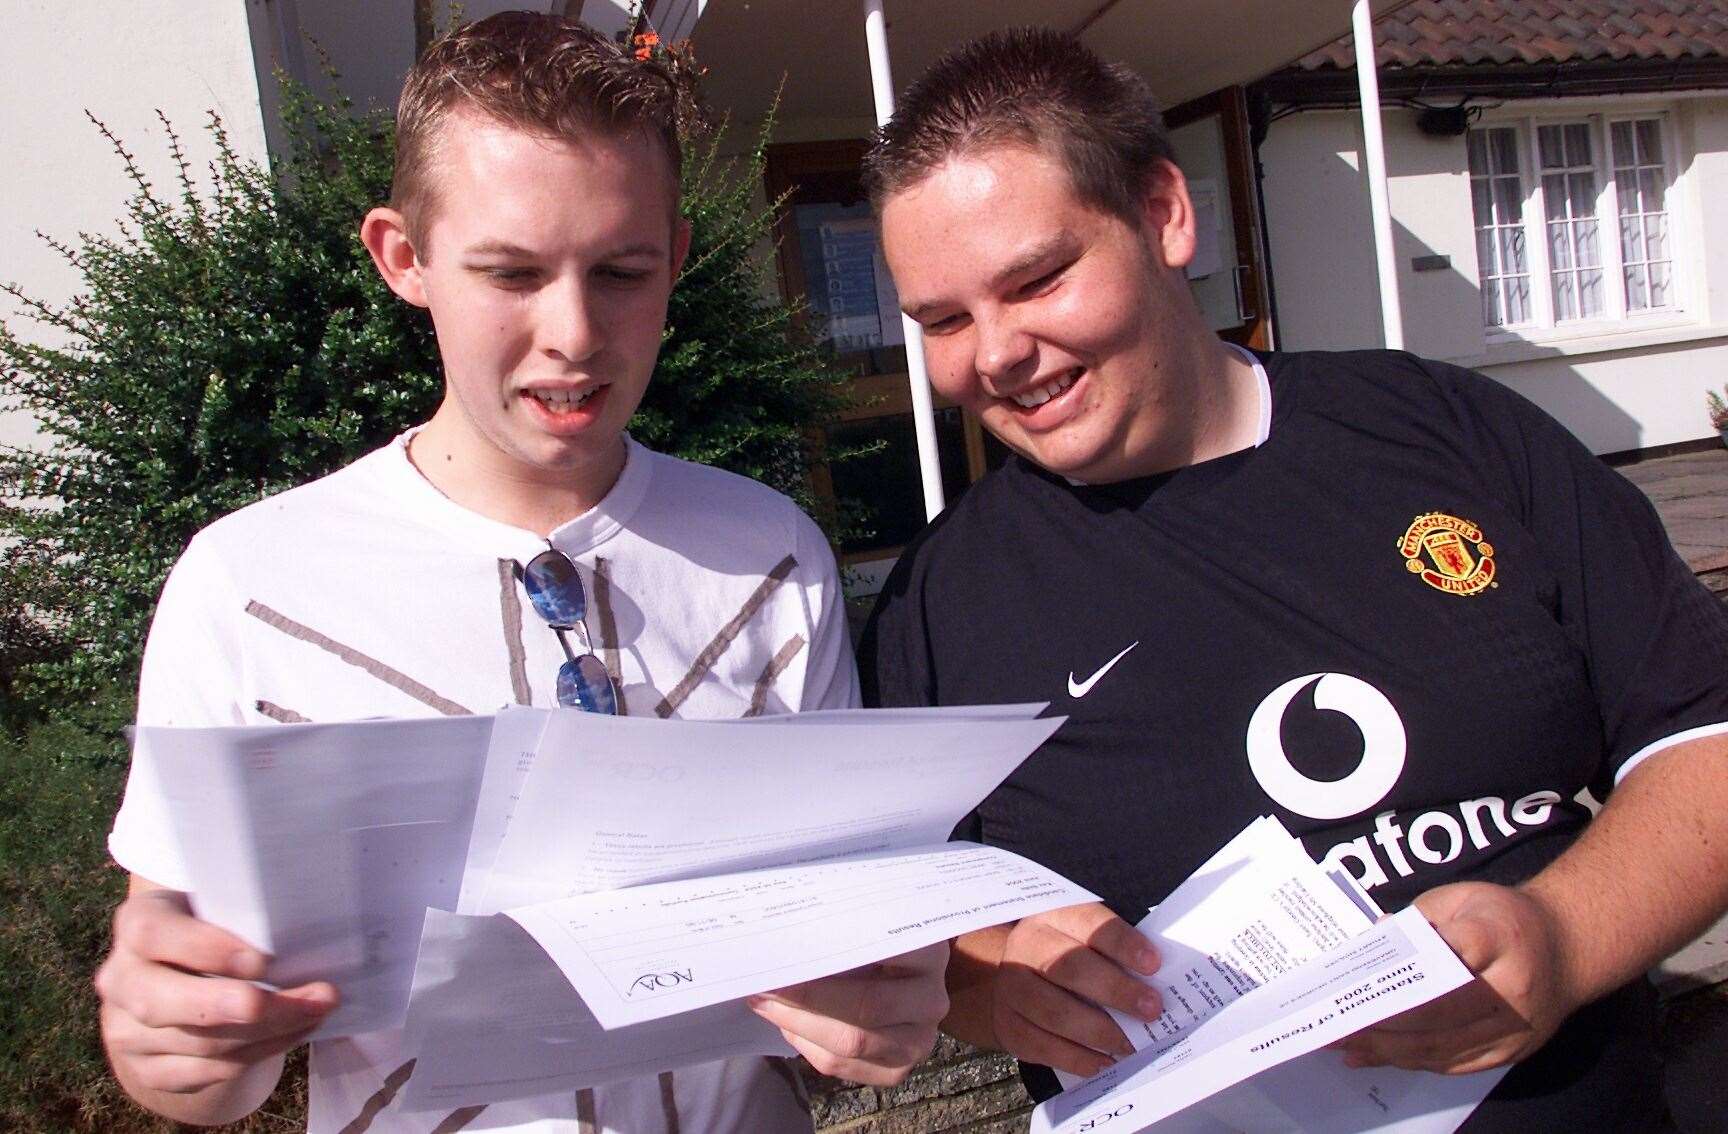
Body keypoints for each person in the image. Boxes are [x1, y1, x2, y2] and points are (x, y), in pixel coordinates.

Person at [858, 26, 1728, 1131]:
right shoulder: (939, 606)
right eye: (942, 319)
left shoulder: (1449, 433)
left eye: (1037, 280)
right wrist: (997, 989)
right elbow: (919, 931)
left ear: (1165, 215)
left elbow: (1703, 739)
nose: (994, 353)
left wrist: (1561, 937)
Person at [94, 13, 948, 1132]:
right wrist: (176, 1053)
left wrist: (879, 1010)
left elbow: (845, 954)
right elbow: (192, 1007)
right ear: (404, 257)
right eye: (510, 271)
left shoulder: (771, 554)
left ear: (679, 258)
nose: (573, 332)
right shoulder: (248, 588)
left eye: (622, 270)